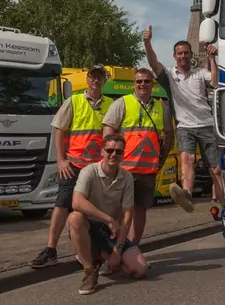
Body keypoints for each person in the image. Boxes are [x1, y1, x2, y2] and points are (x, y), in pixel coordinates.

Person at [31, 65, 113, 269]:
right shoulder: (74, 101)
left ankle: (96, 250)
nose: (96, 80)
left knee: (98, 209)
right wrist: (61, 159)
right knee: (61, 204)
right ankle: (51, 249)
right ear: (87, 79)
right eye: (93, 76)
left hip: (98, 169)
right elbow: (58, 128)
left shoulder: (111, 104)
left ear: (105, 80)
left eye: (100, 77)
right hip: (74, 165)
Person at [143, 25, 225, 211]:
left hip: (206, 124)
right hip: (185, 126)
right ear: (174, 56)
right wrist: (147, 44)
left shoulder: (199, 74)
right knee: (186, 157)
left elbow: (214, 81)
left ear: (191, 55)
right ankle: (187, 194)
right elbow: (153, 63)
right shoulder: (170, 75)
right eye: (179, 53)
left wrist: (212, 58)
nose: (183, 56)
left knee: (216, 170)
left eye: (186, 53)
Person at [101, 68, 174, 252]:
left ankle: (133, 248)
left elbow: (169, 133)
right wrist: (111, 160)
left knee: (140, 211)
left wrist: (162, 160)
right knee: (118, 212)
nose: (142, 85)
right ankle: (113, 251)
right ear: (134, 83)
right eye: (139, 81)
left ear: (152, 84)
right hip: (124, 169)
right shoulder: (122, 103)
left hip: (148, 171)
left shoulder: (161, 107)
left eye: (147, 81)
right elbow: (108, 132)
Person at [68, 133, 148, 295]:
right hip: (88, 227)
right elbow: (76, 202)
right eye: (110, 150)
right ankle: (89, 270)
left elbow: (127, 216)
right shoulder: (88, 172)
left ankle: (100, 255)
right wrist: (109, 219)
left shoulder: (127, 177)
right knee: (75, 217)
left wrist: (117, 253)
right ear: (102, 152)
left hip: (112, 233)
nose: (113, 154)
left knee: (140, 270)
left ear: (123, 154)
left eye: (118, 152)